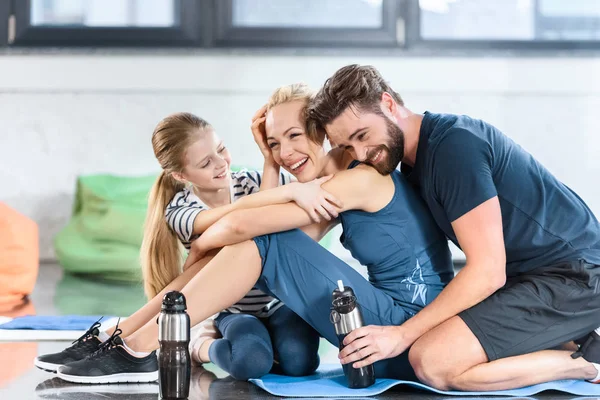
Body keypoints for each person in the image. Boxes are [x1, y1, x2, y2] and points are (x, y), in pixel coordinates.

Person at [53, 83, 454, 384]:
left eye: (296, 135)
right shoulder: (333, 184)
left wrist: (203, 243)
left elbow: (246, 229)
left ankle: (138, 345)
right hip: (384, 324)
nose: (285, 154)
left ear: (324, 134)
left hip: (405, 330)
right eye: (274, 143)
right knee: (265, 241)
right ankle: (126, 335)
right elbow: (261, 251)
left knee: (265, 238)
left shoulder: (358, 180)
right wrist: (267, 169)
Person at [307, 64, 600, 391]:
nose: (360, 154)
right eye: (347, 146)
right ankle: (567, 345)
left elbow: (489, 272)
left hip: (577, 277)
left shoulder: (453, 147)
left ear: (389, 104)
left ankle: (586, 363)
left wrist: (401, 335)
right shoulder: (412, 165)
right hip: (529, 281)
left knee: (432, 362)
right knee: (434, 349)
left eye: (362, 135)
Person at [36, 112, 341, 382]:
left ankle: (118, 334)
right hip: (236, 311)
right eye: (206, 162)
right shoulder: (180, 211)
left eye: (221, 149)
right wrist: (290, 191)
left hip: (279, 304)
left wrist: (269, 159)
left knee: (300, 362)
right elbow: (239, 220)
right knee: (251, 361)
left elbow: (265, 218)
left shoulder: (250, 181)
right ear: (181, 176)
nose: (221, 163)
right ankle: (198, 345)